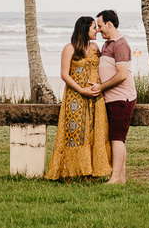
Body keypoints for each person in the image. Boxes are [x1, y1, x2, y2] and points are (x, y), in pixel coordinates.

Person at [46, 16, 112, 180]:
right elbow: (64, 74)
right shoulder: (69, 48)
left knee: (93, 133)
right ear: (84, 30)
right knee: (74, 134)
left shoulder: (96, 47)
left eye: (97, 27)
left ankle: (90, 172)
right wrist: (82, 90)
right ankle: (70, 172)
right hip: (75, 98)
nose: (96, 30)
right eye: (93, 27)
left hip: (96, 98)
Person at [94, 9, 136, 185]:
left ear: (109, 24)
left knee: (117, 138)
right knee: (117, 138)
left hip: (122, 99)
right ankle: (121, 179)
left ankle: (115, 178)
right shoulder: (107, 45)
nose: (98, 30)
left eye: (100, 26)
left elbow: (121, 75)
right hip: (112, 99)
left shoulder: (120, 45)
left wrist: (100, 87)